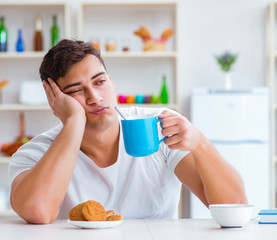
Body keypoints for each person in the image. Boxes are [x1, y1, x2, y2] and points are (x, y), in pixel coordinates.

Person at [8, 39, 247, 224]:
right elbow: (38, 212)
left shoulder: (158, 127)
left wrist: (200, 143)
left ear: (111, 82)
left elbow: (235, 206)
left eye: (100, 82)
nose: (95, 97)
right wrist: (73, 121)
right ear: (55, 100)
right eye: (75, 91)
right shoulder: (35, 153)